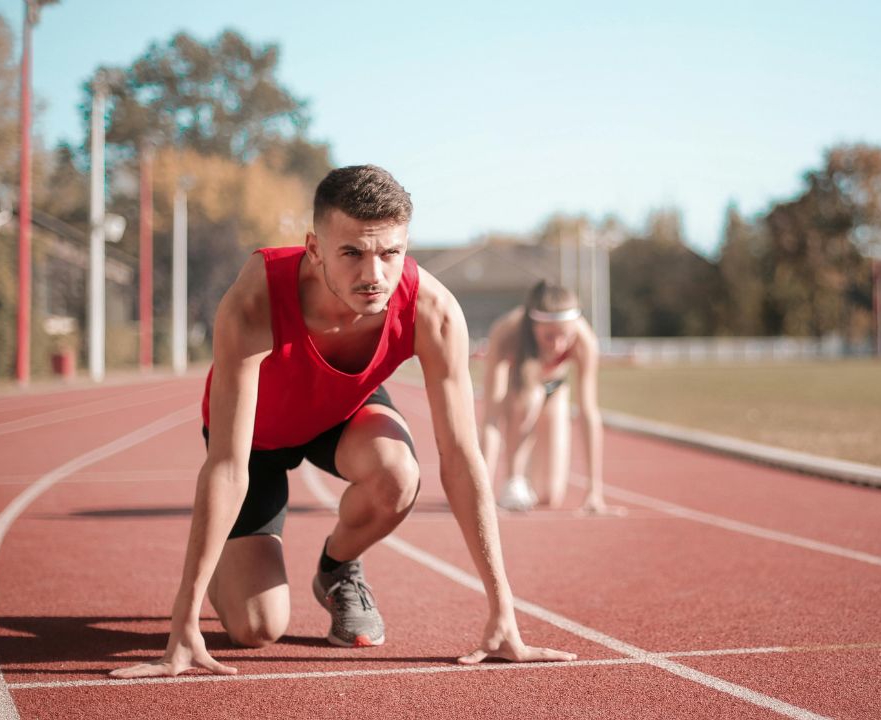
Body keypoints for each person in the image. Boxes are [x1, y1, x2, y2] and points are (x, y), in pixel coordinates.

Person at [112, 165, 574, 679]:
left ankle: (337, 569)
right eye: (351, 252)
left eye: (389, 253)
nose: (373, 274)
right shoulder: (256, 298)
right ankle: (225, 558)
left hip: (341, 414)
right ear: (314, 248)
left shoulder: (433, 311)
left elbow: (462, 459)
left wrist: (502, 613)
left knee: (400, 473)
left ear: (405, 246)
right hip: (256, 438)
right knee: (257, 629)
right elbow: (226, 464)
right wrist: (184, 623)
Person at [479, 282, 621, 515]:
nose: (558, 345)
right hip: (518, 393)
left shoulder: (585, 340)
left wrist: (594, 491)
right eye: (549, 337)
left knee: (549, 496)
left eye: (565, 336)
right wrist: (480, 492)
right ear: (533, 327)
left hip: (556, 390)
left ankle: (531, 477)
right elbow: (491, 418)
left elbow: (589, 413)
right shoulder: (507, 333)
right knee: (530, 399)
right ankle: (514, 479)